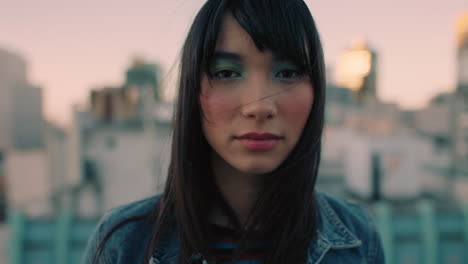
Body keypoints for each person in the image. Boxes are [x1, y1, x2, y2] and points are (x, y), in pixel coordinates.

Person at [82, 0, 385, 263]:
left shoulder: (357, 238)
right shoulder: (124, 244)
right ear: (192, 91)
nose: (259, 106)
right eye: (227, 73)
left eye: (288, 72)